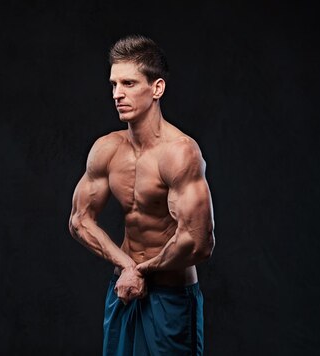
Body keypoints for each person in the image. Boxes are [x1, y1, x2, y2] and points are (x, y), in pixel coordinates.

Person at [68, 34, 215, 356]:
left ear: (157, 88)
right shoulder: (107, 149)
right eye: (113, 84)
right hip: (123, 290)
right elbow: (79, 220)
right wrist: (126, 266)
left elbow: (199, 242)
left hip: (170, 297)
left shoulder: (180, 154)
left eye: (129, 84)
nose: (117, 94)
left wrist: (141, 270)